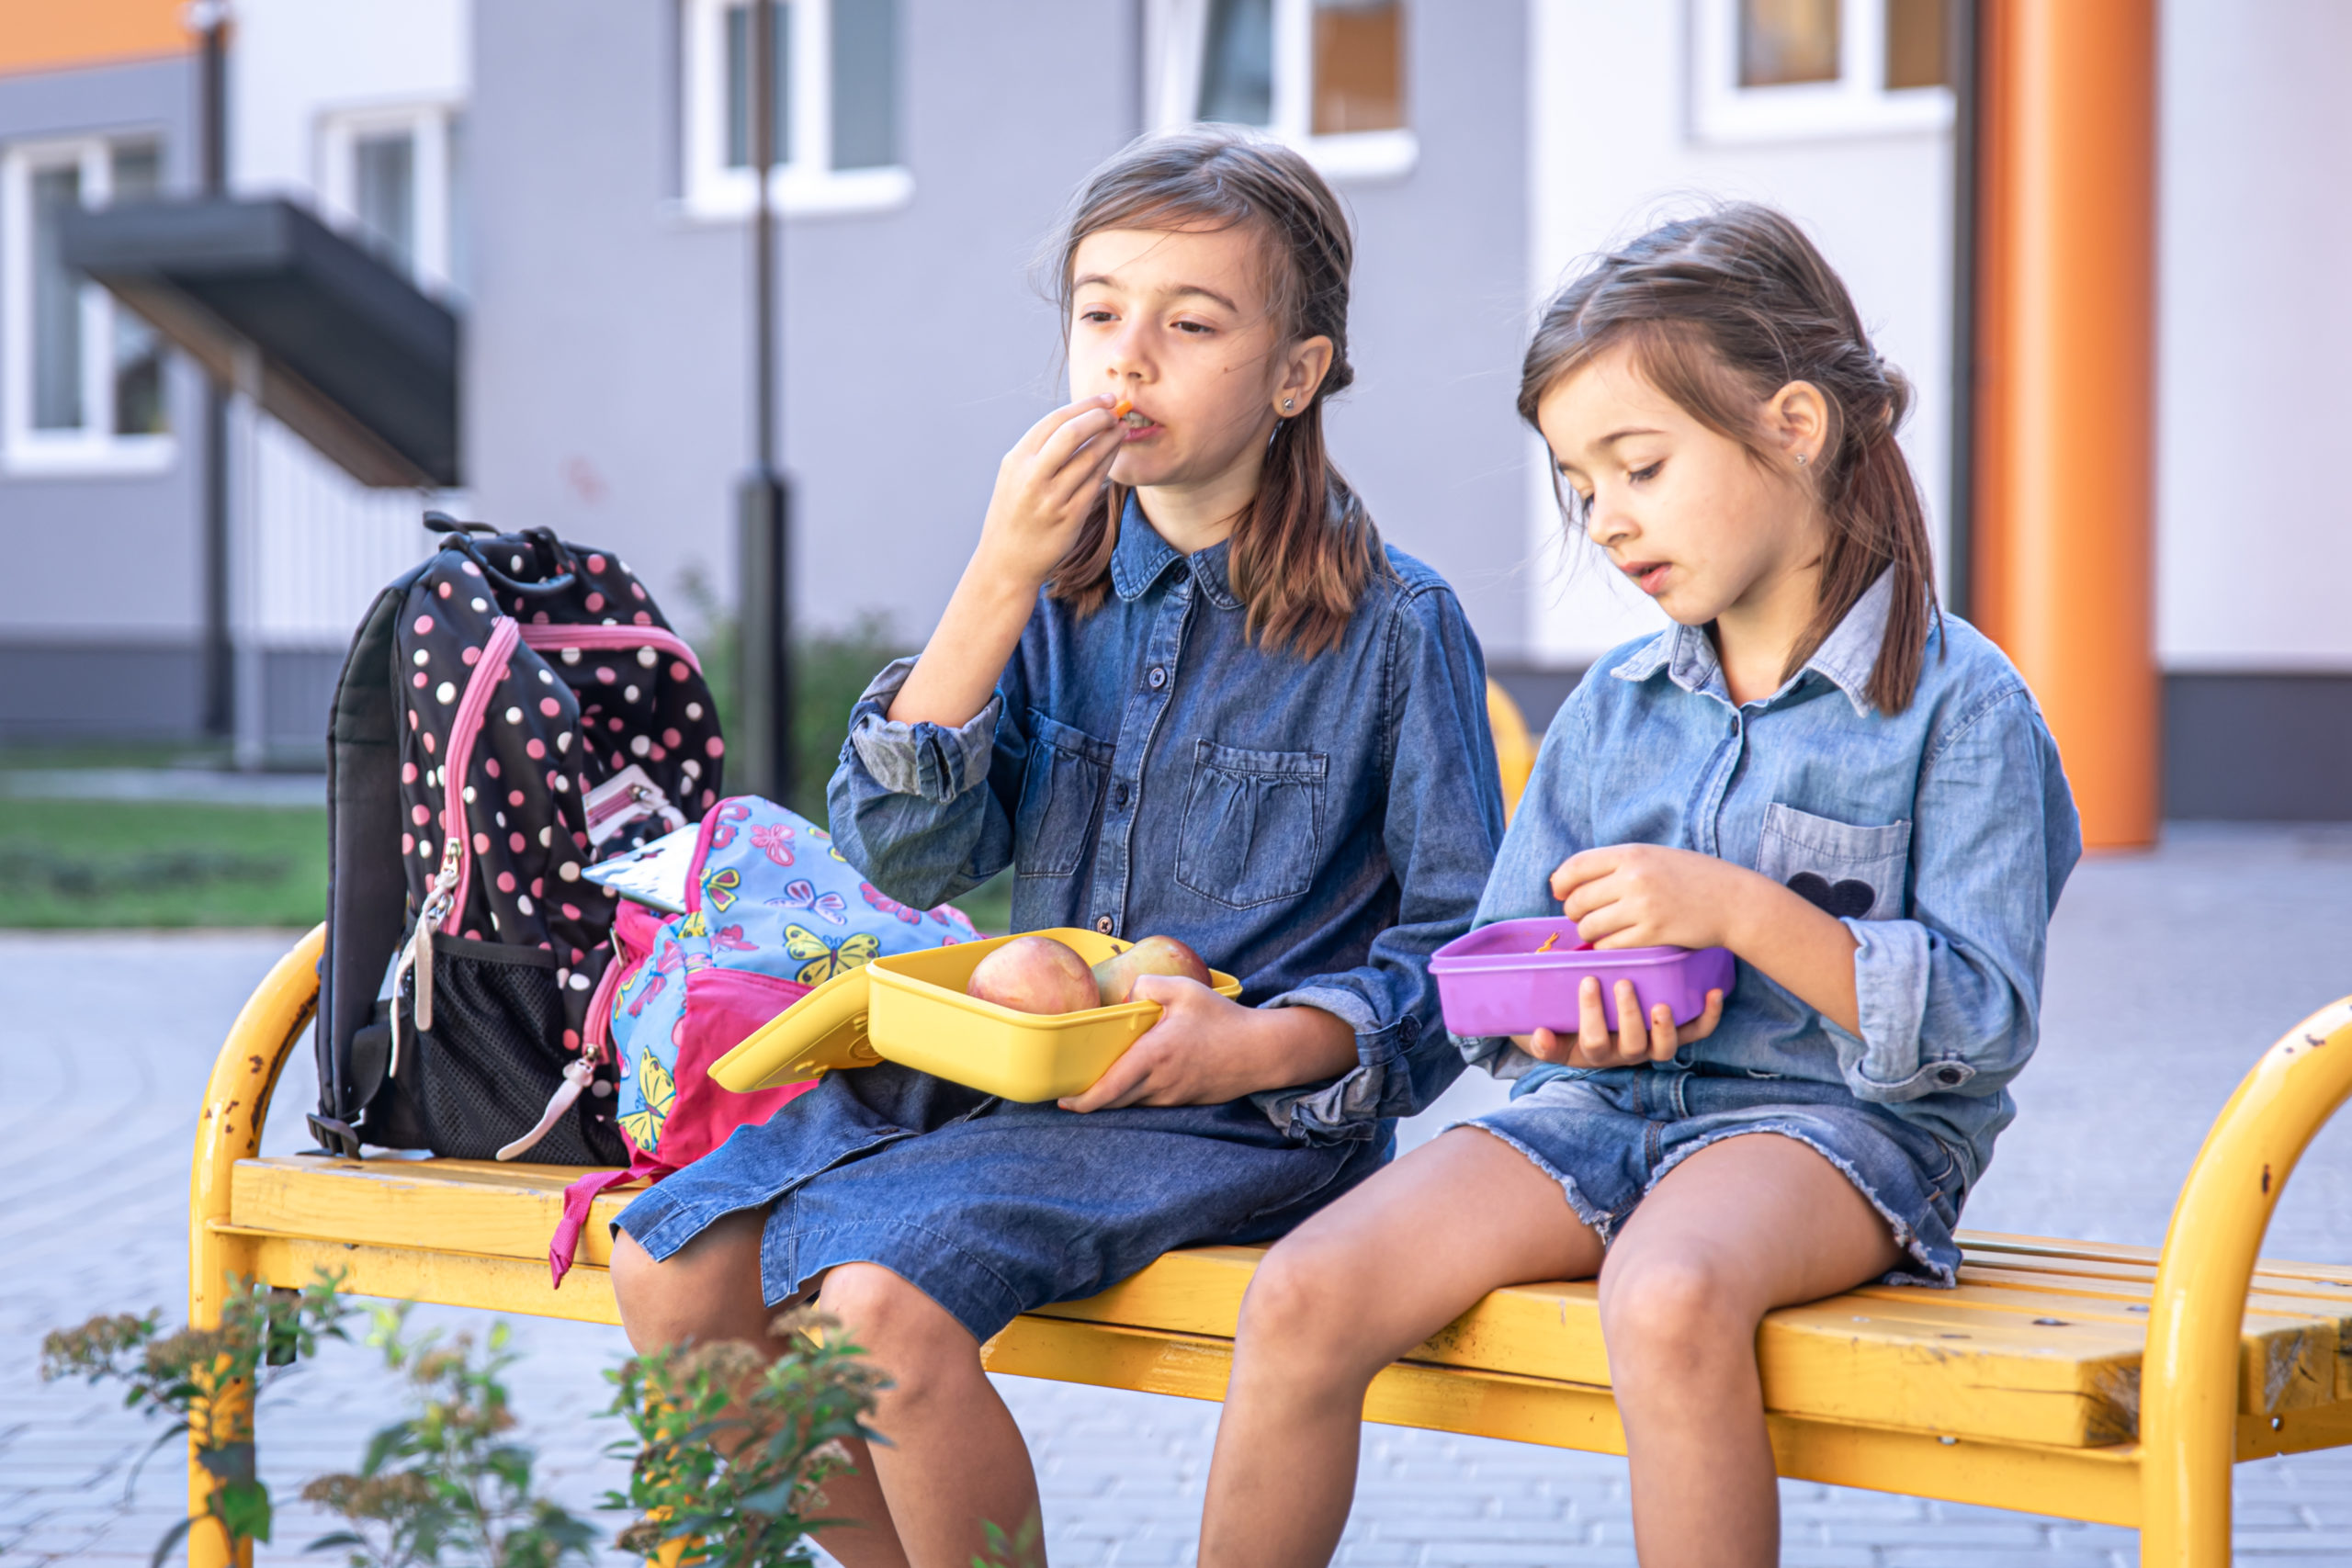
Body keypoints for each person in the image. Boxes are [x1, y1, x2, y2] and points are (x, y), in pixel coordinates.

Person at [605, 127, 1505, 1566]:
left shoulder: (1397, 628)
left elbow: (1461, 954)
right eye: (1098, 314)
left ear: (1297, 374)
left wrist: (1266, 1045)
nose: (1126, 360)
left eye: (1189, 322)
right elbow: (900, 856)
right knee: (665, 1269)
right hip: (996, 1079)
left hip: (1236, 1117)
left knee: (878, 1312)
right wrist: (996, 575)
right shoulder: (1052, 593)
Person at [1196, 203, 2082, 1568]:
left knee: (1665, 1294)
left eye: (1641, 466)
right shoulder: (1616, 705)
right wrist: (1550, 1015)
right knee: (1306, 1288)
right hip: (1602, 1111)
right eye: (1581, 483)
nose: (1607, 519)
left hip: (1835, 1135)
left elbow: (1976, 1025)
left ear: (1796, 425)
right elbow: (1498, 959)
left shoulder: (1963, 711)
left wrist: (1733, 912)